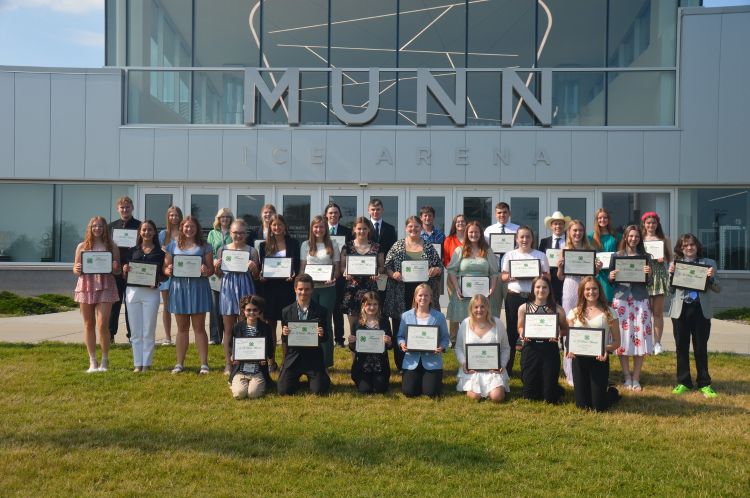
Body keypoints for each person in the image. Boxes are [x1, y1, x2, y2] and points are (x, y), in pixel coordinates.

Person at [384, 216, 443, 371]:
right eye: (410, 226)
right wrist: (393, 274)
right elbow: (387, 266)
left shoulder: (428, 246)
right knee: (401, 329)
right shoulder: (397, 246)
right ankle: (401, 364)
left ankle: (424, 361)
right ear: (406, 228)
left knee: (421, 326)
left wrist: (436, 270)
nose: (413, 229)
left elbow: (439, 266)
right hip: (400, 293)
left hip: (422, 294)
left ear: (421, 228)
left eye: (417, 226)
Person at [668, 234, 721, 398]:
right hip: (680, 310)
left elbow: (718, 288)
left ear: (697, 246)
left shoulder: (709, 263)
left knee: (700, 347)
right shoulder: (674, 264)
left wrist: (710, 279)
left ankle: (704, 383)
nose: (689, 248)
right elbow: (669, 290)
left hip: (700, 310)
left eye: (692, 245)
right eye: (685, 246)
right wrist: (671, 275)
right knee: (681, 347)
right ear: (680, 248)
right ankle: (683, 381)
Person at [163, 216, 213, 374]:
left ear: (197, 228)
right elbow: (165, 268)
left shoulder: (205, 246)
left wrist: (206, 271)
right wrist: (168, 270)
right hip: (179, 288)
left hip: (198, 288)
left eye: (192, 227)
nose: (189, 229)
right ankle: (179, 363)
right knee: (182, 329)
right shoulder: (172, 246)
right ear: (182, 228)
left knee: (199, 328)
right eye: (186, 227)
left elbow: (211, 270)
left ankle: (204, 364)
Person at [500, 225, 550, 377]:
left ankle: (530, 369)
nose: (524, 239)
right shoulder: (510, 255)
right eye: (521, 237)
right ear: (516, 239)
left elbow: (548, 277)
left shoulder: (540, 255)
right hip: (514, 296)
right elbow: (503, 277)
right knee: (512, 333)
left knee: (533, 332)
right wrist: (512, 276)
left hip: (533, 297)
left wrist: (538, 276)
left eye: (527, 236)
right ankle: (507, 370)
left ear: (532, 239)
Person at [557, 220, 603, 385]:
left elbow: (593, 276)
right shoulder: (564, 249)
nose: (578, 233)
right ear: (569, 232)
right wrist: (560, 267)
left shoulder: (590, 249)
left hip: (586, 288)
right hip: (570, 288)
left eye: (580, 230)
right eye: (574, 230)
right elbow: (560, 277)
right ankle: (570, 371)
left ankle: (586, 368)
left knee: (586, 325)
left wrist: (597, 269)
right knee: (570, 327)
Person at [567, 276, 622, 412]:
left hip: (599, 360)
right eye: (587, 289)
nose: (591, 292)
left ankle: (612, 392)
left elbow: (617, 342)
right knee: (582, 406)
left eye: (594, 289)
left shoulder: (609, 312)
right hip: (579, 361)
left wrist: (605, 349)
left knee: (599, 407)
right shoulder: (573, 313)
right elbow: (570, 339)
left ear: (599, 290)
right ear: (582, 291)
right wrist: (570, 349)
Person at [73, 216, 120, 372]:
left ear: (105, 228)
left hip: (106, 286)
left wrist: (115, 267)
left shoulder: (112, 246)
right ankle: (92, 361)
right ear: (90, 228)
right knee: (88, 325)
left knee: (102, 325)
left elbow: (118, 270)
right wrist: (77, 269)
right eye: (94, 226)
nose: (97, 229)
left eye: (100, 226)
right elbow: (75, 268)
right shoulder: (82, 246)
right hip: (86, 285)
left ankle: (105, 361)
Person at [609, 225, 652, 391]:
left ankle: (636, 377)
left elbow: (648, 282)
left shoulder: (646, 257)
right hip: (621, 301)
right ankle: (627, 376)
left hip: (640, 301)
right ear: (625, 237)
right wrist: (611, 276)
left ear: (640, 239)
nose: (633, 239)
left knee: (640, 337)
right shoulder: (616, 256)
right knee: (623, 338)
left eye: (636, 236)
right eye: (631, 236)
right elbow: (612, 281)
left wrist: (648, 274)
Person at [215, 219, 260, 376]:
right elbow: (220, 274)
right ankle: (228, 363)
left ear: (245, 234)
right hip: (228, 289)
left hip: (246, 290)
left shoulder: (252, 251)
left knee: (245, 327)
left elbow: (256, 277)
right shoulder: (223, 250)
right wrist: (216, 268)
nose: (238, 235)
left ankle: (244, 361)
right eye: (235, 233)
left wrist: (254, 269)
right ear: (230, 233)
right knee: (228, 328)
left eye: (241, 233)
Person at [258, 214, 300, 372]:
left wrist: (293, 274)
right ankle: (271, 361)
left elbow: (295, 266)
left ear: (285, 226)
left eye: (280, 225)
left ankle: (286, 362)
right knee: (270, 327)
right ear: (270, 227)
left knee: (286, 326)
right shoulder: (263, 246)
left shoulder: (293, 243)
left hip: (287, 289)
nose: (277, 228)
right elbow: (262, 267)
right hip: (269, 290)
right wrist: (262, 275)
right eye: (274, 225)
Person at [446, 220, 499, 345]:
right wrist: (457, 288)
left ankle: (479, 349)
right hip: (463, 294)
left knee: (480, 323)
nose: (474, 234)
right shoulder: (460, 250)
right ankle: (462, 351)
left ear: (480, 233)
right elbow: (452, 270)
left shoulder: (487, 251)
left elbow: (494, 273)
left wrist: (492, 288)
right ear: (466, 233)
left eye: (476, 232)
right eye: (471, 232)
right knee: (465, 325)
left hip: (482, 296)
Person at [122, 220, 165, 372]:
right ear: (140, 232)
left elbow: (163, 275)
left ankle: (146, 363)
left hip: (151, 293)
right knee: (135, 330)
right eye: (144, 230)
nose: (147, 233)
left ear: (154, 233)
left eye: (150, 230)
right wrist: (125, 269)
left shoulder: (160, 253)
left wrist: (158, 280)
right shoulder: (131, 251)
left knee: (148, 329)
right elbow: (124, 274)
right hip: (132, 292)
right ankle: (137, 363)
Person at [517, 276, 568, 403]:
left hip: (549, 350)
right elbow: (520, 326)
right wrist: (523, 333)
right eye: (538, 287)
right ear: (533, 289)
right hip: (530, 349)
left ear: (549, 289)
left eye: (544, 287)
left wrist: (557, 334)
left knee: (550, 397)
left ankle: (551, 386)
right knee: (530, 396)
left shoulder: (558, 309)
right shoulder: (524, 308)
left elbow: (565, 330)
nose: (541, 290)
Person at [277, 274, 330, 395]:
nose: (303, 292)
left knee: (319, 390)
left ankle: (320, 376)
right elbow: (285, 339)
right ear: (295, 289)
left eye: (307, 289)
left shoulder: (321, 310)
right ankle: (293, 379)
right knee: (283, 390)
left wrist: (321, 334)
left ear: (312, 290)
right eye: (300, 289)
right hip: (294, 356)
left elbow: (326, 337)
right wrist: (284, 334)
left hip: (313, 356)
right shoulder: (286, 311)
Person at [300, 215, 341, 368]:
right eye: (316, 227)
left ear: (326, 228)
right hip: (309, 290)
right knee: (309, 322)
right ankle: (311, 360)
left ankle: (326, 361)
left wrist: (333, 277)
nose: (319, 229)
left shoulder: (333, 244)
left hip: (327, 289)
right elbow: (302, 268)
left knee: (325, 323)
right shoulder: (305, 245)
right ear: (312, 228)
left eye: (322, 227)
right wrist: (299, 284)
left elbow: (337, 268)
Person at [454, 294, 510, 403]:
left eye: (482, 306)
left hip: (493, 370)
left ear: (488, 307)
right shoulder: (465, 323)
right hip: (472, 370)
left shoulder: (498, 323)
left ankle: (493, 389)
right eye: (476, 307)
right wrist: (464, 363)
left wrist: (502, 365)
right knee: (474, 396)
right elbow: (459, 347)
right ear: (471, 308)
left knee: (497, 397)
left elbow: (505, 348)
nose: (479, 310)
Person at [397, 284, 450, 397]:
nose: (423, 298)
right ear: (415, 297)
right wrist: (402, 344)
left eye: (426, 295)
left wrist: (442, 347)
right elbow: (400, 336)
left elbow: (445, 337)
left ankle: (431, 380)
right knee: (409, 392)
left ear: (431, 298)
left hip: (432, 361)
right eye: (420, 295)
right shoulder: (406, 316)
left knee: (431, 393)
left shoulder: (439, 316)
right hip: (412, 360)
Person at [228, 295, 274, 400]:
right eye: (248, 310)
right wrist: (233, 357)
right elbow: (232, 346)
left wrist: (265, 357)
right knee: (240, 394)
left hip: (258, 370)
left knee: (253, 394)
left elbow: (270, 349)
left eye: (255, 310)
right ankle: (235, 382)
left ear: (260, 311)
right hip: (241, 370)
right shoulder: (237, 327)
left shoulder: (265, 328)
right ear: (243, 310)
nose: (251, 313)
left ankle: (259, 383)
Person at [341, 217, 384, 329]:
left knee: (372, 323)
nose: (362, 231)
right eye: (359, 228)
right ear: (354, 229)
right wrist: (345, 271)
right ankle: (354, 345)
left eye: (365, 228)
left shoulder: (377, 246)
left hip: (370, 289)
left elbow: (381, 267)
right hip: (352, 290)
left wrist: (377, 272)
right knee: (353, 326)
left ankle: (370, 345)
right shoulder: (347, 246)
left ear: (369, 229)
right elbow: (342, 267)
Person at [108, 196, 140, 343]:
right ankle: (110, 335)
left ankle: (131, 336)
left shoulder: (140, 226)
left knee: (131, 305)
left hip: (133, 270)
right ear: (117, 209)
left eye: (127, 207)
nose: (125, 210)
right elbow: (106, 249)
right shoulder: (111, 227)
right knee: (114, 304)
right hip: (115, 271)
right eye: (122, 207)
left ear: (132, 208)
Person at [347, 291, 392, 394]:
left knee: (379, 389)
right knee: (365, 390)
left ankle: (379, 379)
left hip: (380, 364)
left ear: (379, 305)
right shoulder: (357, 323)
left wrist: (389, 342)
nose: (372, 307)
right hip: (363, 364)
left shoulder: (384, 321)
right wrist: (351, 342)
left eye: (375, 304)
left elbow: (390, 346)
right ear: (363, 305)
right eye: (369, 304)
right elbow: (353, 348)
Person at [641, 212, 672, 355]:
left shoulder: (664, 238)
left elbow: (671, 259)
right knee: (644, 312)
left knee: (658, 313)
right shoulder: (639, 238)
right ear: (644, 224)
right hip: (644, 277)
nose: (651, 225)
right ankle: (644, 342)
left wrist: (664, 258)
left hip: (659, 276)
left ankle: (657, 343)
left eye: (653, 222)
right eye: (648, 223)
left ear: (657, 224)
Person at [325, 202, 352, 349]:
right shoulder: (321, 231)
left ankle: (339, 339)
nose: (333, 215)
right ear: (326, 215)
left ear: (339, 215)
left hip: (341, 275)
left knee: (338, 308)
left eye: (336, 212)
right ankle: (325, 337)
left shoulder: (347, 231)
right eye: (330, 213)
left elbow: (350, 253)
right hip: (323, 274)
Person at [484, 201, 520, 313]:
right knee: (493, 310)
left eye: (505, 212)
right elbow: (485, 251)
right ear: (495, 214)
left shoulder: (517, 229)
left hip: (511, 274)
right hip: (494, 273)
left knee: (511, 309)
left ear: (509, 214)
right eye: (499, 213)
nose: (502, 215)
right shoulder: (489, 230)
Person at [207, 208, 234, 345]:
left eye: (227, 217)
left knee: (228, 305)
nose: (225, 219)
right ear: (218, 219)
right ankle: (215, 336)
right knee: (215, 305)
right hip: (215, 274)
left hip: (230, 273)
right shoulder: (212, 233)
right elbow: (209, 251)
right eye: (222, 217)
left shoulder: (234, 232)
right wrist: (213, 262)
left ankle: (229, 336)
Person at [158, 206, 182, 346]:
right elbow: (160, 254)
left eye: (176, 215)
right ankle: (167, 337)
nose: (174, 218)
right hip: (167, 274)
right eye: (171, 215)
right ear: (168, 217)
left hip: (181, 275)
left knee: (179, 307)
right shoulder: (163, 234)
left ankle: (180, 334)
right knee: (166, 306)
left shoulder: (184, 233)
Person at [442, 214, 467, 343]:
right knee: (454, 306)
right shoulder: (449, 240)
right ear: (454, 224)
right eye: (458, 222)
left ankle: (465, 335)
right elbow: (446, 259)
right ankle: (453, 338)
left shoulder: (470, 239)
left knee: (466, 306)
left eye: (463, 221)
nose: (460, 224)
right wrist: (453, 270)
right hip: (453, 278)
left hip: (468, 279)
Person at [538, 211, 571, 305]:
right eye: (555, 224)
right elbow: (541, 259)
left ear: (564, 226)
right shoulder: (544, 241)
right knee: (549, 304)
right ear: (551, 226)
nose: (558, 226)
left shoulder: (570, 241)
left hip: (565, 277)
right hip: (549, 278)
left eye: (560, 223)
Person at [589, 208, 618, 303]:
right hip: (597, 274)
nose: (602, 220)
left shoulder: (616, 236)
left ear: (609, 219)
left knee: (611, 304)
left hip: (611, 274)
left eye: (605, 217)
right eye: (600, 218)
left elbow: (622, 253)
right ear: (596, 220)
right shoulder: (590, 237)